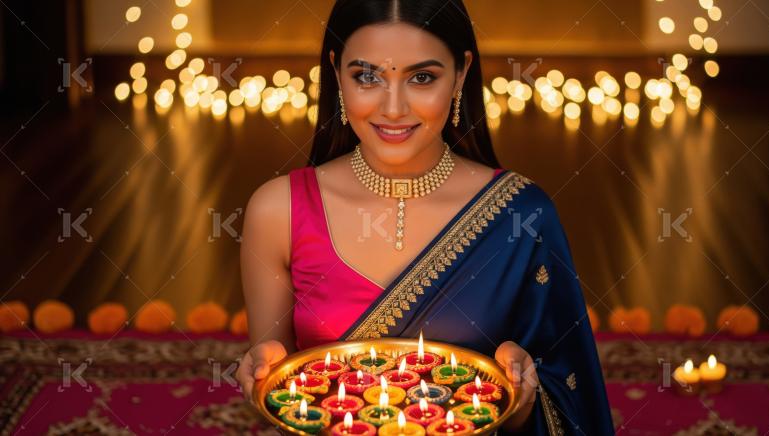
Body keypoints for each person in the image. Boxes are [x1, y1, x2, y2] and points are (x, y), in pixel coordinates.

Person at [236, 0, 614, 434]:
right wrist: (264, 374)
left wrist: (522, 400)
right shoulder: (278, 210)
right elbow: (282, 394)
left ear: (461, 74)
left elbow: (570, 398)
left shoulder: (521, 214)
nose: (394, 109)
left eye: (422, 78)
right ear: (337, 72)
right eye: (367, 77)